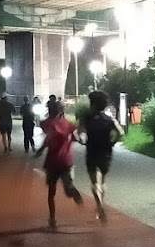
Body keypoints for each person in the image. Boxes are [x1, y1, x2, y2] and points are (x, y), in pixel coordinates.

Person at [32, 98, 84, 230]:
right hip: (66, 161)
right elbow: (77, 137)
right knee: (68, 189)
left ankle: (52, 219)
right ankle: (73, 192)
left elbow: (47, 138)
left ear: (49, 111)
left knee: (51, 192)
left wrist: (40, 151)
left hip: (52, 162)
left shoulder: (47, 123)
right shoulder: (68, 124)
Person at [77, 90, 123, 221]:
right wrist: (113, 142)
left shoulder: (86, 118)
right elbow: (120, 133)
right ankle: (100, 206)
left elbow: (79, 132)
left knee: (94, 182)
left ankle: (99, 206)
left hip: (92, 151)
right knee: (102, 180)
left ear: (92, 104)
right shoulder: (109, 119)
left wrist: (81, 140)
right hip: (106, 151)